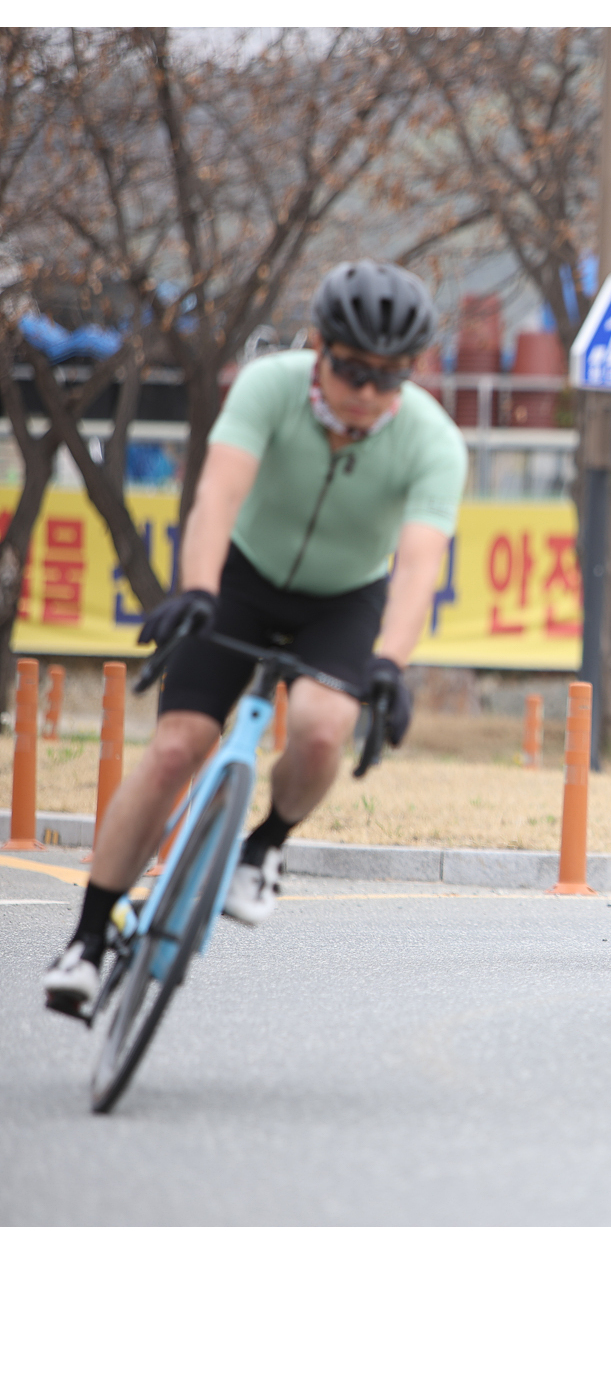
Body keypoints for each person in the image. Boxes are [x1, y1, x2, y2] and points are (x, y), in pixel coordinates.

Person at [43, 262, 467, 1017]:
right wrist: (197, 591)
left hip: (344, 600)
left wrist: (389, 665)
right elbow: (218, 495)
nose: (368, 392)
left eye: (388, 377)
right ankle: (85, 939)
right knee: (176, 747)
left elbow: (417, 567)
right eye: (353, 370)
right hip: (241, 581)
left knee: (322, 726)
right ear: (318, 347)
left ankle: (265, 844)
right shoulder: (269, 386)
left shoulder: (432, 440)